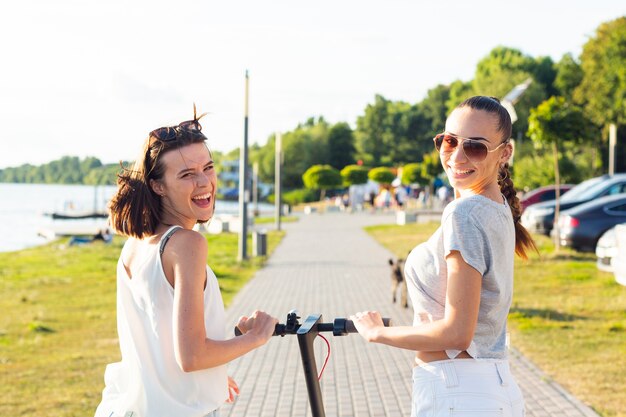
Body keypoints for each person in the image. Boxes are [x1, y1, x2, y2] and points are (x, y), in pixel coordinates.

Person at [351, 96, 536, 417]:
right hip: (487, 387)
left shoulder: (464, 213)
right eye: (449, 142)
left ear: (505, 153)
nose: (457, 155)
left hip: (457, 393)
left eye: (475, 147)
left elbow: (457, 333)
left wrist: (378, 333)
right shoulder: (497, 207)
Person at [95, 106, 278, 417]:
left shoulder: (134, 246)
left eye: (208, 167)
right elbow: (192, 356)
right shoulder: (188, 244)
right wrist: (256, 337)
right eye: (187, 174)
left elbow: (158, 343)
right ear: (157, 185)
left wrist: (212, 378)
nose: (204, 182)